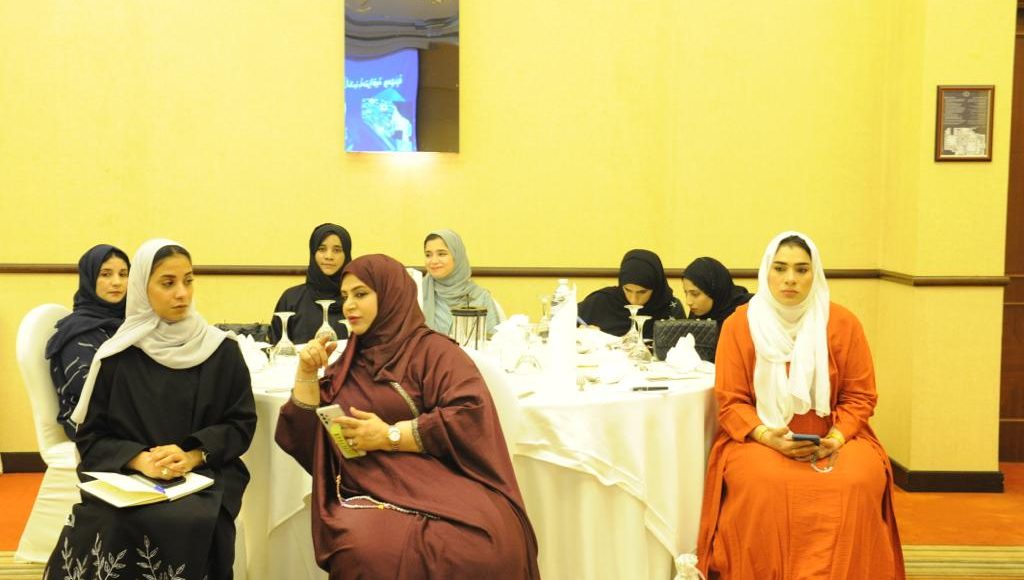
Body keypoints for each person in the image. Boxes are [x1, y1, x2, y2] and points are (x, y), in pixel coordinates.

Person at [275, 254, 540, 579]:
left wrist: (390, 436)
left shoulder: (435, 353)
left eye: (361, 294)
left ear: (391, 295)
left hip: (450, 478)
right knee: (366, 550)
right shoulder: (348, 364)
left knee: (487, 544)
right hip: (371, 487)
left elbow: (468, 414)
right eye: (345, 296)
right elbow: (308, 437)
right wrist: (305, 373)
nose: (349, 305)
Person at [44, 239, 257, 580]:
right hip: (129, 478)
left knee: (190, 521)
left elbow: (240, 423)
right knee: (112, 520)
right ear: (142, 289)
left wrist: (193, 455)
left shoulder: (221, 351)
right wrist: (139, 460)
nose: (182, 293)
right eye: (168, 283)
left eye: (188, 280)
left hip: (204, 474)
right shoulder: (117, 357)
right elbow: (92, 439)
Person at [696, 232, 904, 579]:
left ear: (815, 273)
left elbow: (860, 397)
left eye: (801, 270)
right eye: (780, 268)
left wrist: (835, 439)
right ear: (766, 271)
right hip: (759, 437)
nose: (790, 279)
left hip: (835, 437)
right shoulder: (739, 324)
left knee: (856, 482)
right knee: (765, 484)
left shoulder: (843, 323)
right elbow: (731, 401)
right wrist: (768, 437)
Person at [45, 244, 130, 439]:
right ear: (89, 279)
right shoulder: (79, 332)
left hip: (128, 415)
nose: (117, 282)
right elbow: (90, 395)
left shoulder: (130, 323)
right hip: (92, 427)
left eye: (123, 274)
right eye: (105, 274)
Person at [269, 223, 352, 344]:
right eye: (322, 249)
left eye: (337, 250)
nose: (329, 256)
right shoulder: (291, 299)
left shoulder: (355, 299)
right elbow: (275, 346)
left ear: (346, 255)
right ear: (313, 253)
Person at [577, 248, 684, 338]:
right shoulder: (601, 302)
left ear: (656, 287)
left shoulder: (671, 309)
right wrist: (579, 333)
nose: (633, 300)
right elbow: (569, 324)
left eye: (642, 292)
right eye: (628, 290)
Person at [421, 229, 502, 336]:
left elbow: (495, 339)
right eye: (428, 255)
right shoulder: (418, 294)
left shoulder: (480, 297)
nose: (433, 261)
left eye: (441, 254)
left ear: (457, 257)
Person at [682, 257, 753, 326]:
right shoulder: (697, 314)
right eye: (686, 293)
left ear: (714, 291)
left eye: (695, 294)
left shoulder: (749, 310)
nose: (688, 302)